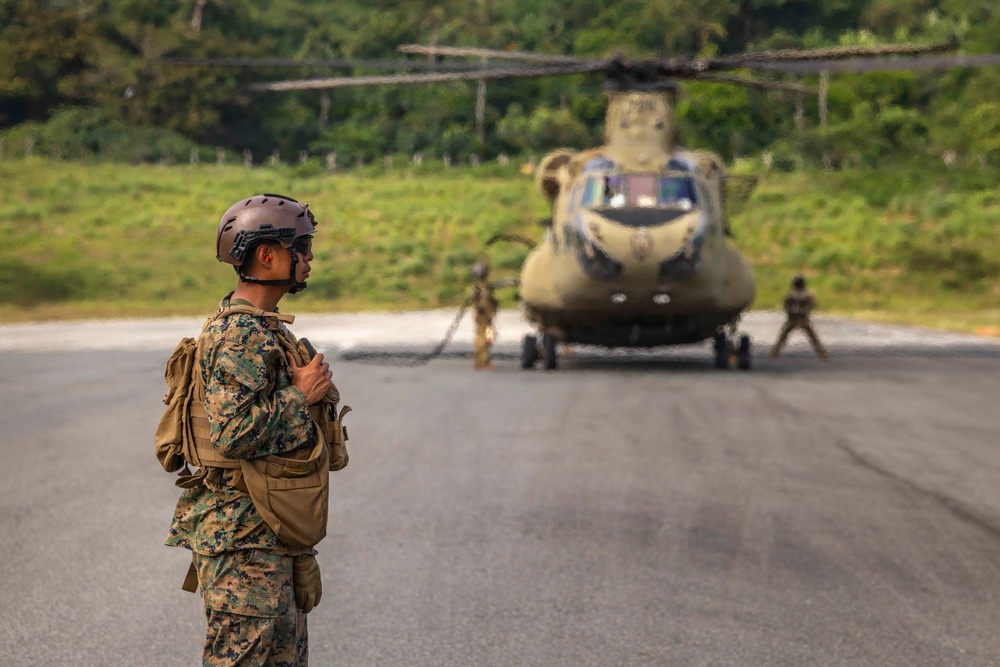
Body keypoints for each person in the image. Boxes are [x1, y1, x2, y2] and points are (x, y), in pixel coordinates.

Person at [165, 193, 339, 666]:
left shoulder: (265, 329)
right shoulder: (240, 335)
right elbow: (234, 433)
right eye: (300, 247)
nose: (308, 258)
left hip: (267, 534)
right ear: (267, 255)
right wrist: (301, 397)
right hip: (243, 543)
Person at [770, 274, 829, 360]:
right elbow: (787, 304)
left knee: (810, 336)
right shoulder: (803, 294)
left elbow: (810, 305)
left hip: (799, 317)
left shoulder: (796, 294)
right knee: (785, 336)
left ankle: (774, 353)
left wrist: (801, 311)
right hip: (796, 318)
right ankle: (823, 354)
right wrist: (791, 311)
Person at [470, 262, 499, 370]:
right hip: (484, 317)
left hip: (485, 317)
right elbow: (483, 303)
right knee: (485, 339)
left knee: (483, 337)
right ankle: (484, 362)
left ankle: (479, 361)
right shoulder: (481, 288)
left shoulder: (479, 287)